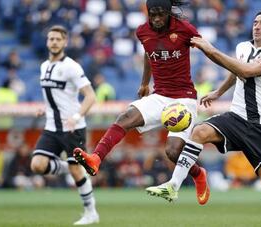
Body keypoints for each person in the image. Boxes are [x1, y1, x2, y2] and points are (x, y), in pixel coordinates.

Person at [146, 9, 261, 227]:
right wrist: (218, 92)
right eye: (255, 22)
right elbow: (236, 72)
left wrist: (210, 49)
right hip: (236, 117)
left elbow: (247, 71)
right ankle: (173, 185)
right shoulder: (243, 47)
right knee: (199, 131)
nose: (257, 26)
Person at [73, 0, 210, 205]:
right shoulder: (142, 31)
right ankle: (96, 158)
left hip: (183, 98)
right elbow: (148, 53)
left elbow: (209, 50)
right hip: (160, 94)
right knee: (125, 117)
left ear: (168, 12)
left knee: (172, 152)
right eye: (151, 14)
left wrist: (230, 75)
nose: (155, 19)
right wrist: (145, 83)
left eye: (160, 14)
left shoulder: (184, 29)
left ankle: (198, 174)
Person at [29, 25, 99, 225]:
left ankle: (91, 212)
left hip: (72, 127)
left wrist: (76, 116)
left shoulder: (72, 67)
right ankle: (70, 167)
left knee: (77, 172)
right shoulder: (44, 66)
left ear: (65, 42)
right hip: (52, 126)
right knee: (37, 165)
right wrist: (45, 108)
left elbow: (90, 96)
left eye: (58, 39)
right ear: (47, 42)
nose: (54, 42)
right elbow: (55, 96)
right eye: (51, 39)